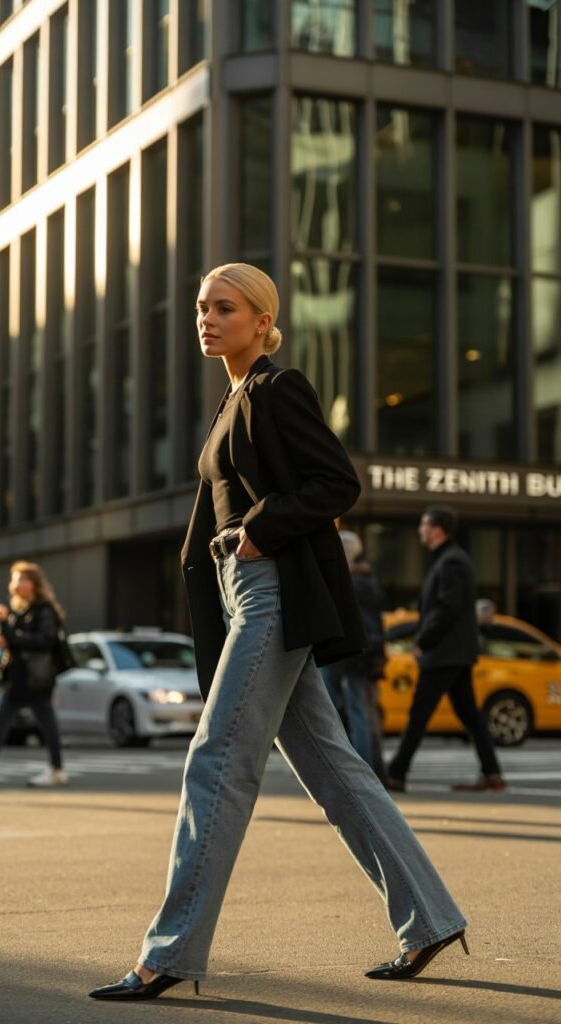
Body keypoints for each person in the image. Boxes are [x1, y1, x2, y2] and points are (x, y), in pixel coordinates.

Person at [89, 263, 468, 1002]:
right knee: (335, 769)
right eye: (201, 307)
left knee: (216, 761)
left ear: (263, 320)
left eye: (223, 308)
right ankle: (431, 919)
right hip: (245, 595)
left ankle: (169, 952)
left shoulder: (276, 388)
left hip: (271, 594)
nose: (206, 318)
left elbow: (337, 482)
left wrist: (257, 532)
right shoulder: (228, 402)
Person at [386, 506, 506, 794]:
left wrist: (422, 642)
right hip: (453, 654)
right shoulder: (450, 559)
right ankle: (492, 774)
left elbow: (447, 608)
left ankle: (396, 773)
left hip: (444, 654)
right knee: (470, 716)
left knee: (419, 714)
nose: (420, 531)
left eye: (424, 525)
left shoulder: (451, 562)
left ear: (437, 529)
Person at [0, 561, 69, 789]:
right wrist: (3, 631)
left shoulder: (43, 610)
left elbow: (44, 641)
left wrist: (8, 631)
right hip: (19, 676)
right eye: (13, 579)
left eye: (20, 579)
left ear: (33, 584)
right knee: (15, 720)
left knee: (39, 722)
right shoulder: (21, 610)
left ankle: (53, 769)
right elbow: (13, 640)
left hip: (33, 678)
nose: (15, 584)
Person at [322, 530, 387, 781]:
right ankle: (374, 769)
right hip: (370, 654)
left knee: (351, 710)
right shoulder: (369, 581)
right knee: (367, 712)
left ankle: (362, 772)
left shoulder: (347, 581)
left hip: (351, 653)